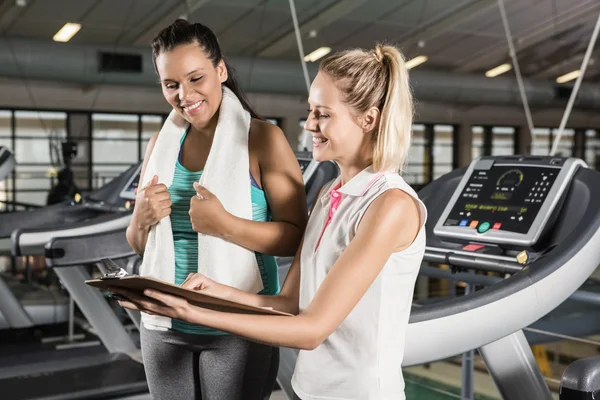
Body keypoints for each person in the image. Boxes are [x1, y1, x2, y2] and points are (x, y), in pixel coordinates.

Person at [118, 43, 426, 400]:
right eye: (310, 111)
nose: (309, 124)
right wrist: (216, 292)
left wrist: (191, 311)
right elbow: (289, 304)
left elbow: (311, 330)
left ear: (368, 120)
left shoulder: (391, 204)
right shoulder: (330, 194)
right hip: (308, 390)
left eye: (322, 114)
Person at [124, 19, 308, 400]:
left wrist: (226, 225)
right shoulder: (160, 144)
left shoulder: (263, 139)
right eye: (171, 85)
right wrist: (140, 218)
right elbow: (138, 243)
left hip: (236, 325)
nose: (184, 95)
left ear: (220, 70)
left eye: (196, 79)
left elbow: (297, 237)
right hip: (164, 322)